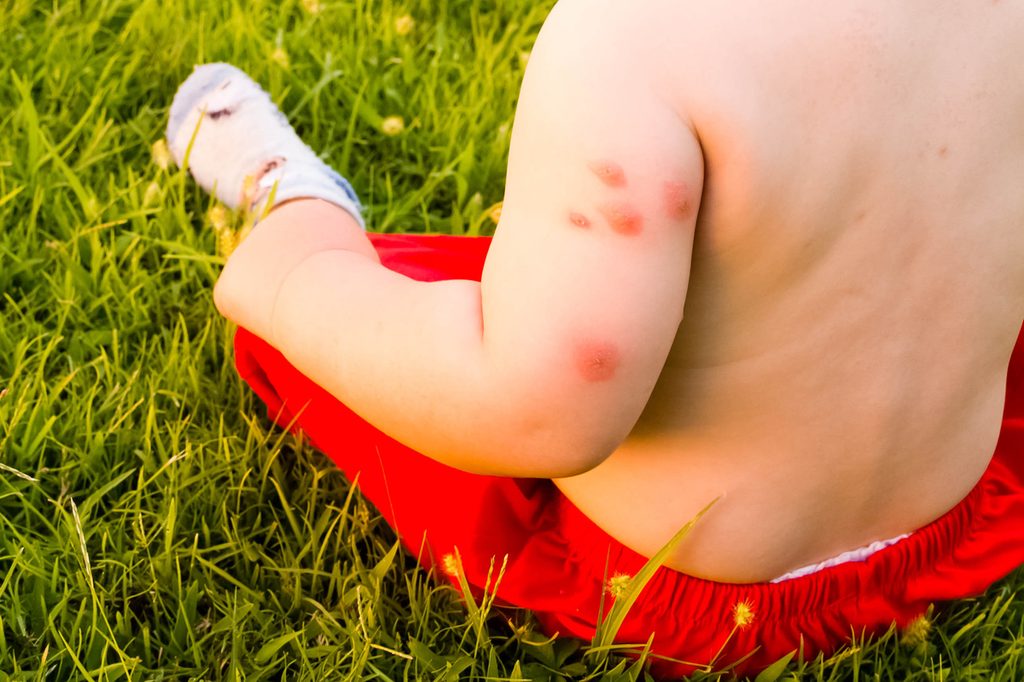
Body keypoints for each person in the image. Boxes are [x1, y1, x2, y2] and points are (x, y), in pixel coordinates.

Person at [166, 0, 1024, 676]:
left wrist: (295, 280)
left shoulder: (635, 37)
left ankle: (300, 206)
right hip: (956, 517)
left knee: (376, 324)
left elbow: (537, 410)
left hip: (683, 600)